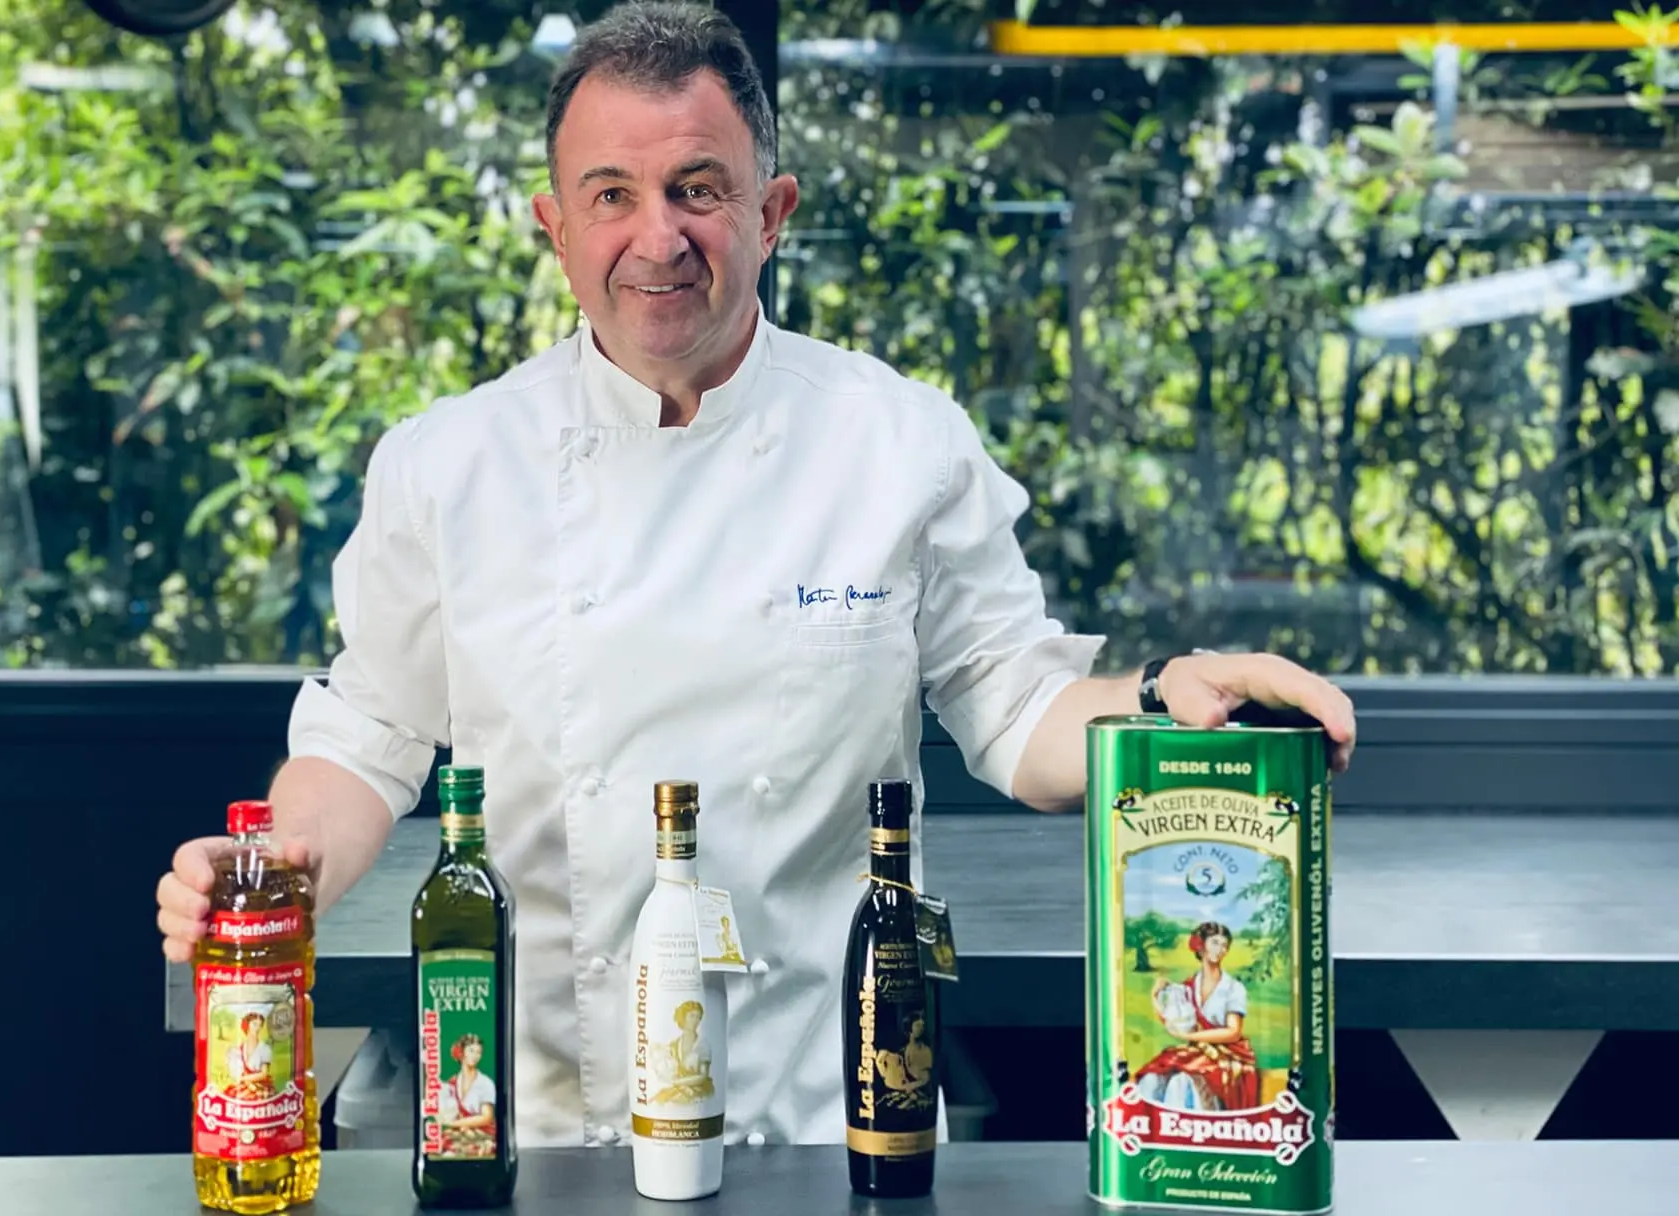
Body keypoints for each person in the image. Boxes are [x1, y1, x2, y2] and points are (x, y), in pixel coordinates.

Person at [154, 0, 1356, 1148]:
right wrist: (282, 869)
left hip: (828, 1116)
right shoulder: (449, 464)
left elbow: (1017, 707)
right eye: (611, 196)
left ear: (772, 211)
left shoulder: (899, 443)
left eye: (699, 188)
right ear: (554, 228)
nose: (657, 238)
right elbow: (368, 736)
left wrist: (1161, 700)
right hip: (544, 1124)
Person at [1137, 922, 1260, 1111]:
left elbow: (1233, 1032)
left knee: (1181, 1082)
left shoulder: (1233, 988)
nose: (1220, 950)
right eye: (1215, 943)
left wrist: (1190, 1036)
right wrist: (1155, 996)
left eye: (1224, 945)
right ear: (1201, 945)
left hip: (1228, 1055)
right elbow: (1174, 1022)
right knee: (1152, 1077)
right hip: (1199, 1052)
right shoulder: (1189, 986)